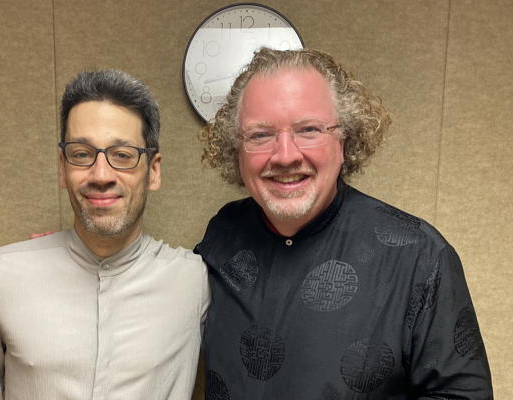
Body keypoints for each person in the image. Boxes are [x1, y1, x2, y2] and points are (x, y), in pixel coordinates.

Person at [196, 48, 492, 399]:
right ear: (237, 148)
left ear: (345, 139)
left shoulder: (419, 256)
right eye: (260, 135)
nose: (286, 155)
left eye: (309, 130)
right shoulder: (222, 234)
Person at [0, 70, 209, 399]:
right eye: (81, 154)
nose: (101, 175)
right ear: (63, 168)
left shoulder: (196, 281)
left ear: (154, 171)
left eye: (123, 155)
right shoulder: (0, 275)